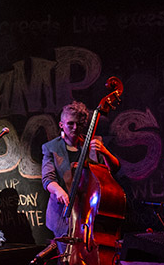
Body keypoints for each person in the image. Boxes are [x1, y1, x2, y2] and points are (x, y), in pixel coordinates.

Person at [40, 101, 120, 242]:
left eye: (79, 124)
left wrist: (105, 152)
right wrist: (59, 190)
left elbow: (113, 169)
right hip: (62, 214)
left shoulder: (93, 145)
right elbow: (47, 179)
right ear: (61, 125)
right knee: (65, 257)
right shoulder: (51, 148)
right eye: (70, 123)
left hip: (89, 212)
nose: (75, 128)